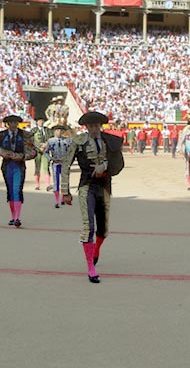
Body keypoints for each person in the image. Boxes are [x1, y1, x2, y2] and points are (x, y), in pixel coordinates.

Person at [61, 111, 124, 284]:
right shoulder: (78, 141)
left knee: (103, 230)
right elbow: (66, 165)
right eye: (91, 126)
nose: (94, 129)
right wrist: (65, 191)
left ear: (100, 126)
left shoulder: (109, 140)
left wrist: (104, 165)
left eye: (97, 125)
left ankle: (95, 252)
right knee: (88, 226)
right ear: (86, 127)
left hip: (104, 186)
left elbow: (118, 164)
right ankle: (91, 267)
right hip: (86, 186)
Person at [0, 115, 37, 227]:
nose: (13, 125)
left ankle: (17, 217)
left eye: (15, 122)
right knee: (10, 190)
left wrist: (22, 156)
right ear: (7, 124)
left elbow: (33, 151)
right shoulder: (1, 135)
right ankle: (13, 216)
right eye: (11, 123)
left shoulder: (25, 135)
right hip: (7, 165)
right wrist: (2, 153)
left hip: (19, 165)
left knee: (16, 189)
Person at [43, 124, 72, 208]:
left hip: (64, 163)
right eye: (57, 130)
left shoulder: (67, 140)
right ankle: (57, 200)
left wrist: (68, 160)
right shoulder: (51, 141)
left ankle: (63, 198)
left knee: (64, 181)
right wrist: (51, 159)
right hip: (55, 163)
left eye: (60, 130)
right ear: (54, 132)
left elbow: (71, 151)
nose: (59, 132)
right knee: (56, 181)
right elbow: (45, 152)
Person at [31, 117, 52, 191]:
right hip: (37, 151)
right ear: (37, 122)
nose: (41, 122)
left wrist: (46, 144)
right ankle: (37, 185)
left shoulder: (47, 130)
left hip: (45, 150)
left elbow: (51, 138)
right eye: (39, 121)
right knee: (37, 167)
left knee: (46, 167)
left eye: (42, 121)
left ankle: (48, 184)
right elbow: (31, 140)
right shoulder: (34, 130)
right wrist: (39, 146)